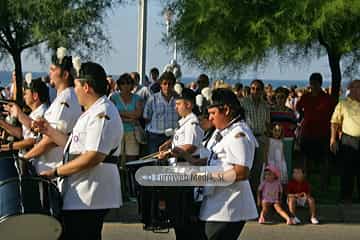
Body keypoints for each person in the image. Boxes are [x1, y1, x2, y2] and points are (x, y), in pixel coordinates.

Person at [38, 61, 123, 240]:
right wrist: (49, 130)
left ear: (86, 87)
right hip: (81, 194)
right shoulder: (92, 112)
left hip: (90, 194)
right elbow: (75, 146)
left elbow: (93, 156)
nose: (74, 91)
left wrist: (56, 171)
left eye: (76, 85)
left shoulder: (103, 113)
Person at [6, 47, 82, 173]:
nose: (49, 73)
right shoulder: (61, 99)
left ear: (65, 74)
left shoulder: (66, 99)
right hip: (46, 167)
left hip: (52, 169)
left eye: (53, 69)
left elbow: (51, 139)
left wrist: (25, 158)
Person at [198, 88, 258, 240]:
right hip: (218, 201)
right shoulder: (225, 131)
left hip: (230, 206)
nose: (210, 118)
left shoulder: (239, 134)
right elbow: (215, 159)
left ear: (226, 110)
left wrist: (210, 178)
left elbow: (242, 172)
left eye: (213, 113)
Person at [296, 73, 336, 190]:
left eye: (315, 83)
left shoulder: (327, 98)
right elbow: (298, 109)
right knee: (305, 160)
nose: (313, 85)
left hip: (323, 133)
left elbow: (334, 115)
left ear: (320, 84)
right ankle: (304, 184)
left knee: (325, 160)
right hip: (307, 132)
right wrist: (305, 118)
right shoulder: (305, 97)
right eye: (311, 83)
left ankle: (324, 184)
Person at [0, 78, 49, 158]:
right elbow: (22, 134)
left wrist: (8, 147)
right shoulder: (34, 113)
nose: (24, 97)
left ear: (35, 96)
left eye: (25, 94)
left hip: (36, 164)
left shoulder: (42, 114)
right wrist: (2, 123)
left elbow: (32, 141)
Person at [330, 79, 360, 203]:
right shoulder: (343, 104)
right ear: (351, 89)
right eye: (357, 87)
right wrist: (333, 139)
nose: (359, 90)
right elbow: (335, 122)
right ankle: (346, 197)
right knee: (347, 170)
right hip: (348, 140)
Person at [240, 79, 270, 195]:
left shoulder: (265, 105)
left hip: (261, 138)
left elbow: (267, 124)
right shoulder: (243, 103)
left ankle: (253, 195)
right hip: (248, 138)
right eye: (253, 88)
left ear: (262, 91)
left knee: (258, 169)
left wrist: (266, 140)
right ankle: (244, 194)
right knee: (247, 167)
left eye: (258, 89)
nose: (255, 91)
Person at [143, 71, 178, 154]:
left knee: (171, 161)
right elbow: (146, 117)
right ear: (160, 85)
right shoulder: (153, 99)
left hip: (172, 136)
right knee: (154, 162)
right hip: (155, 136)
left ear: (173, 85)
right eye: (165, 83)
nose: (167, 86)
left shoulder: (178, 100)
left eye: (170, 84)